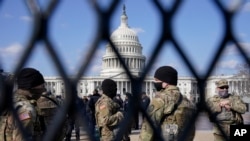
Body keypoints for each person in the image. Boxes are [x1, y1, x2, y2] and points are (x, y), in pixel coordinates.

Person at [139, 66, 196, 141]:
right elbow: (191, 131)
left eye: (156, 80)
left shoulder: (160, 99)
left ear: (165, 82)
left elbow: (148, 127)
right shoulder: (188, 102)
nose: (155, 83)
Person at [1, 68, 46, 140]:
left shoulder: (7, 102)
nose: (44, 89)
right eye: (42, 86)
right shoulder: (26, 110)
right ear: (32, 86)